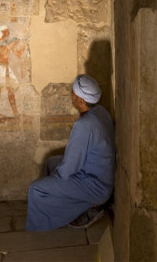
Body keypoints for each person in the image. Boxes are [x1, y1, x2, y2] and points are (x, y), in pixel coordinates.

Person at [26, 74, 115, 231]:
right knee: (51, 162)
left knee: (36, 189)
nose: (71, 95)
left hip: (95, 186)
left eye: (73, 93)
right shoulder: (101, 111)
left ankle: (88, 207)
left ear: (80, 101)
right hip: (101, 176)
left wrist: (55, 178)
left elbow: (69, 168)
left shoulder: (84, 125)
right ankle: (70, 206)